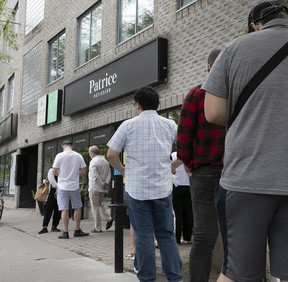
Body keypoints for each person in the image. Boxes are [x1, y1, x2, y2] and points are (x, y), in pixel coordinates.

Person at [203, 2, 288, 281]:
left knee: (237, 274)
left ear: (255, 24)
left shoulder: (236, 48)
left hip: (247, 178)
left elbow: (213, 113)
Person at [107, 86, 183, 282]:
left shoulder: (128, 125)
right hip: (163, 189)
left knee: (143, 236)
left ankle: (147, 278)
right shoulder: (170, 124)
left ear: (137, 104)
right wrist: (174, 164)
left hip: (137, 189)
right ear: (157, 105)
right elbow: (187, 147)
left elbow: (111, 154)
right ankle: (175, 278)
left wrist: (123, 170)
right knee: (166, 235)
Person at [176, 48, 226, 282]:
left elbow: (184, 136)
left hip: (204, 172)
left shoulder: (195, 94)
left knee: (203, 237)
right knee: (240, 235)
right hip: (236, 173)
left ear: (208, 67)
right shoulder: (238, 94)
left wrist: (188, 162)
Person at [52, 140, 89, 239]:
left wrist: (60, 174)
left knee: (64, 209)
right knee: (77, 207)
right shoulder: (78, 156)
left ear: (62, 146)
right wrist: (77, 174)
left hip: (62, 186)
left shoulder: (59, 156)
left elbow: (54, 171)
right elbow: (84, 170)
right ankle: (77, 229)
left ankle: (65, 232)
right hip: (74, 186)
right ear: (72, 146)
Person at [88, 145, 113, 233]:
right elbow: (109, 173)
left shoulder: (93, 161)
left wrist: (101, 183)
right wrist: (106, 183)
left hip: (94, 187)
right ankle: (108, 218)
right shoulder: (105, 161)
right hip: (103, 189)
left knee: (95, 208)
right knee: (99, 205)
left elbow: (94, 175)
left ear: (92, 153)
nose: (89, 154)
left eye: (89, 153)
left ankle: (97, 228)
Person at [171, 152, 193, 244]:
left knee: (178, 213)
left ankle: (177, 238)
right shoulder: (190, 154)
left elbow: (171, 169)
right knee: (188, 213)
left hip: (177, 185)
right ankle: (187, 237)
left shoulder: (173, 155)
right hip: (189, 185)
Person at [38, 168, 61, 234]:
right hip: (51, 194)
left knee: (57, 210)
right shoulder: (51, 171)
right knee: (48, 210)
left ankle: (54, 226)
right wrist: (60, 186)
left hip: (59, 193)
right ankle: (45, 227)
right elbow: (53, 182)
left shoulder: (61, 171)